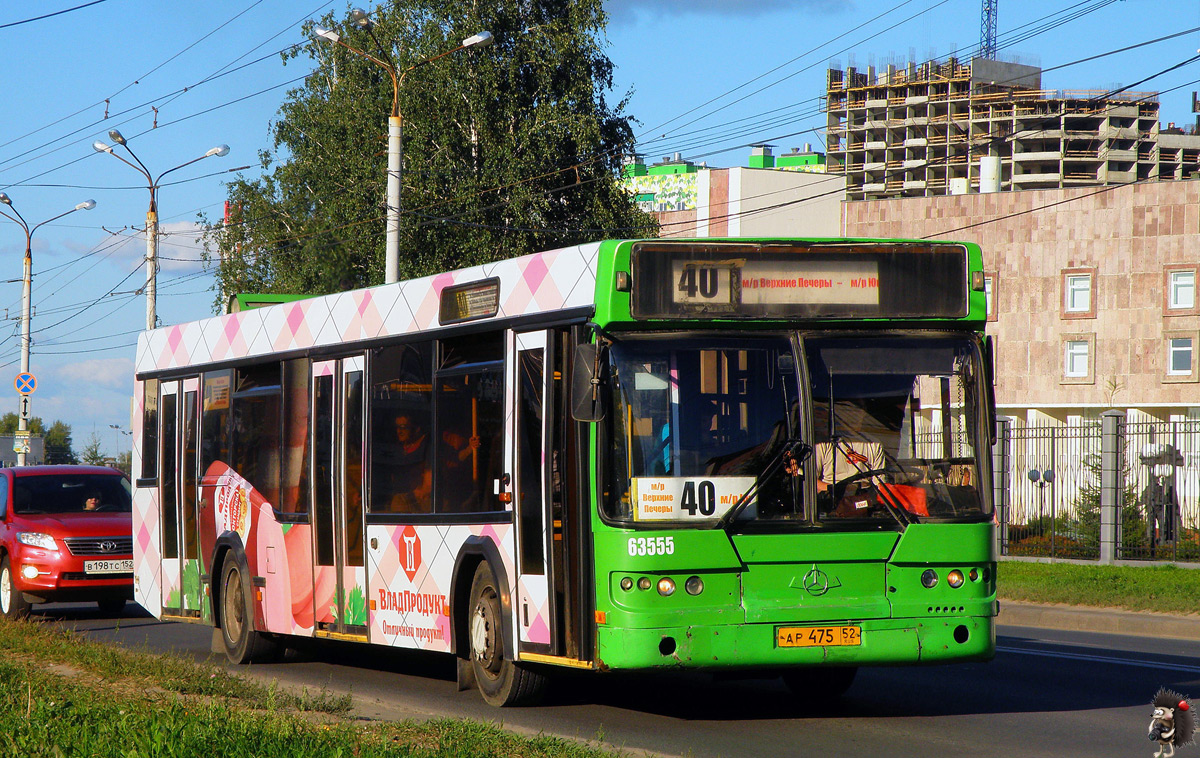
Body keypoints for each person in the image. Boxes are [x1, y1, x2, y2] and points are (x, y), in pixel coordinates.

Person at [386, 414, 432, 513]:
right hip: (399, 500)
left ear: (416, 428)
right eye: (397, 427)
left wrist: (411, 496)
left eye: (403, 427)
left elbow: (428, 485)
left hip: (420, 504)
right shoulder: (398, 448)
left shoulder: (428, 447)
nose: (399, 431)